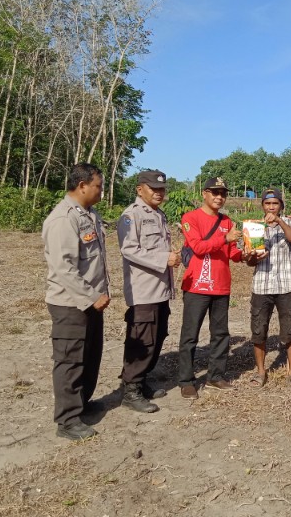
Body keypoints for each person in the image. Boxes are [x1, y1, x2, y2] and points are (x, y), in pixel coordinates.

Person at [42, 163, 110, 440]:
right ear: (82, 185)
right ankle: (68, 420)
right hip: (71, 303)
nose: (101, 192)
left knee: (90, 355)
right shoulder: (63, 219)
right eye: (98, 186)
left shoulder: (89, 215)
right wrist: (91, 297)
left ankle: (82, 403)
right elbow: (63, 267)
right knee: (70, 360)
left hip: (91, 301)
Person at [117, 170, 180, 413]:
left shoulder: (158, 214)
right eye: (153, 188)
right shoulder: (131, 216)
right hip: (143, 291)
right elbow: (129, 250)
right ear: (139, 189)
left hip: (160, 289)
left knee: (158, 335)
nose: (158, 192)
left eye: (162, 189)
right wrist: (165, 258)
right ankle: (130, 390)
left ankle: (141, 381)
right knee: (141, 341)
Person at [177, 177, 243, 399]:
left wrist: (250, 253)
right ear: (204, 193)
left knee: (221, 333)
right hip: (197, 286)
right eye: (214, 192)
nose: (219, 197)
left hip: (221, 287)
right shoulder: (190, 218)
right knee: (190, 335)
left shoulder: (228, 221)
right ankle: (186, 380)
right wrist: (225, 238)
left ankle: (215, 376)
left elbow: (233, 253)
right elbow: (197, 247)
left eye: (223, 193)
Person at [246, 188, 291, 387]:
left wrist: (279, 222)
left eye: (275, 203)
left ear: (281, 206)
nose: (271, 207)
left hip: (286, 286)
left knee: (290, 330)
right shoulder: (254, 228)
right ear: (262, 205)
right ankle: (260, 372)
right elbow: (249, 262)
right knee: (259, 330)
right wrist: (253, 256)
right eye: (268, 204)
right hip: (262, 286)